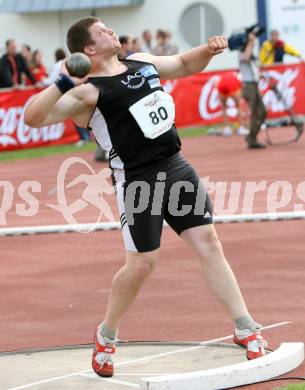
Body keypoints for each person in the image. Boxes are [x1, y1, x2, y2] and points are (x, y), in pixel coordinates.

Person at [24, 17, 267, 378]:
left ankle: (245, 326)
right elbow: (32, 117)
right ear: (89, 49)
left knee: (209, 243)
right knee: (142, 264)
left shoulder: (142, 61)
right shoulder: (87, 92)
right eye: (102, 31)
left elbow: (184, 64)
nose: (110, 31)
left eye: (109, 27)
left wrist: (209, 49)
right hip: (138, 181)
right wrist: (61, 81)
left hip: (176, 165)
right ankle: (107, 334)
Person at [239, 32, 267, 148]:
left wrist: (260, 75)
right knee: (256, 113)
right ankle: (251, 138)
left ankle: (251, 137)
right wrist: (250, 42)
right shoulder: (242, 53)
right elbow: (245, 58)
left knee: (262, 112)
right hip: (248, 86)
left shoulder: (251, 55)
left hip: (253, 85)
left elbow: (252, 66)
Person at [216, 72, 249, 136]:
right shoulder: (241, 77)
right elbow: (243, 86)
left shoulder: (230, 74)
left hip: (221, 85)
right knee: (239, 106)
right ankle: (241, 128)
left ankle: (227, 129)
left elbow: (216, 83)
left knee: (224, 107)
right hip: (232, 84)